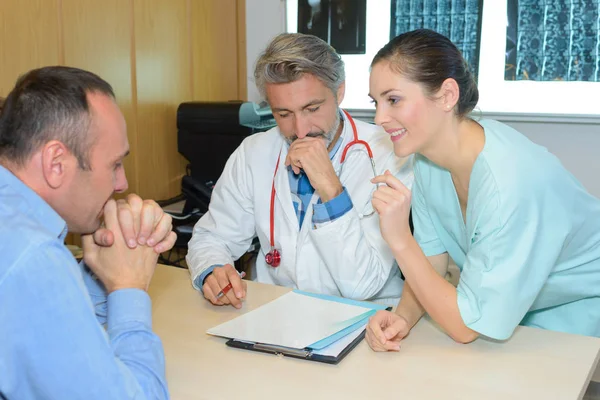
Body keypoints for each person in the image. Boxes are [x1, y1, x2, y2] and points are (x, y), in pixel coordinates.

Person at [365, 29, 600, 351]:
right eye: (375, 102)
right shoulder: (429, 160)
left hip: (581, 305)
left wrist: (398, 238)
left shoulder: (510, 182)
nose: (379, 117)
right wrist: (403, 316)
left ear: (447, 95)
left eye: (393, 100)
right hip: (519, 303)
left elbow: (465, 326)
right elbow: (431, 261)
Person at [186, 33, 414, 308]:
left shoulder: (390, 154)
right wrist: (212, 269)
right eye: (283, 114)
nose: (300, 130)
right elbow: (213, 236)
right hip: (276, 311)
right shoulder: (254, 152)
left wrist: (331, 188)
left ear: (339, 92)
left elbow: (362, 284)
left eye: (312, 108)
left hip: (366, 317)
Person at [0, 66, 177, 398]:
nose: (122, 183)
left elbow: (43, 330)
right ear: (56, 163)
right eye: (114, 164)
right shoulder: (33, 257)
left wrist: (104, 271)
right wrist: (128, 288)